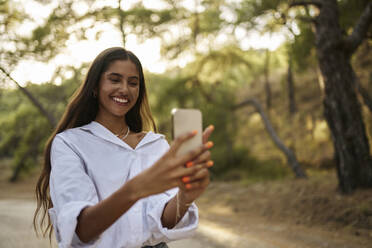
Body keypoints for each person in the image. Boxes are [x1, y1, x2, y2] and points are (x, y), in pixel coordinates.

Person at [33, 47, 214, 248]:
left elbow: (165, 221)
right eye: (115, 79)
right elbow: (82, 229)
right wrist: (137, 188)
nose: (125, 89)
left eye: (133, 83)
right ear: (95, 86)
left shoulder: (156, 144)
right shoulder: (70, 143)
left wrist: (185, 196)